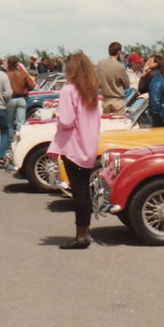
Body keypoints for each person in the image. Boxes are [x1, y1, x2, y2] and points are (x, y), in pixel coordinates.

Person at [46, 52, 102, 249]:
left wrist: (57, 114)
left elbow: (67, 120)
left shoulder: (68, 90)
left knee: (78, 191)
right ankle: (84, 232)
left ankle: (81, 236)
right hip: (88, 145)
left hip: (73, 146)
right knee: (84, 190)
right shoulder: (91, 90)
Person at [96, 41, 129, 114]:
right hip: (117, 101)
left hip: (105, 101)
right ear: (119, 52)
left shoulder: (100, 64)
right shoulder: (120, 66)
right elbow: (127, 85)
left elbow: (98, 83)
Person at [6, 55, 36, 133]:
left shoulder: (6, 75)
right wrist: (25, 89)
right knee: (21, 122)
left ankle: (10, 139)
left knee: (9, 122)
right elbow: (32, 86)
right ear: (17, 64)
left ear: (8, 64)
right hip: (22, 99)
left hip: (10, 99)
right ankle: (20, 137)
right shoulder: (23, 74)